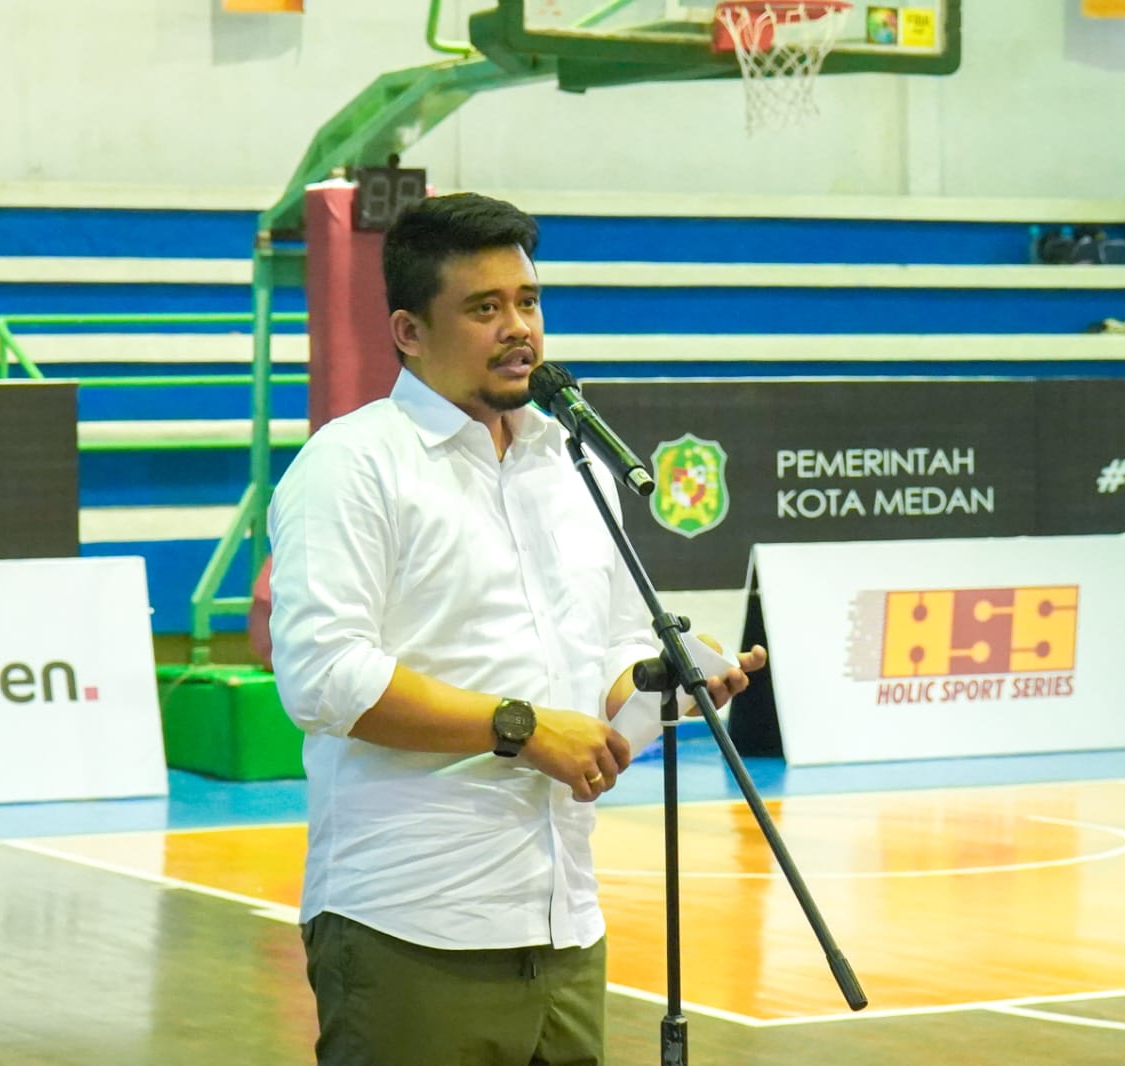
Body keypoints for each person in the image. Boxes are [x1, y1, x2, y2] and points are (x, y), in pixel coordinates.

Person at [267, 191, 766, 1066]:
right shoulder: (352, 465)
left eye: (528, 301)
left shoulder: (575, 468)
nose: (518, 329)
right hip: (413, 924)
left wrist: (671, 682)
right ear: (408, 331)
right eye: (484, 308)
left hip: (566, 922)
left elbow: (609, 656)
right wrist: (525, 729)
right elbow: (324, 678)